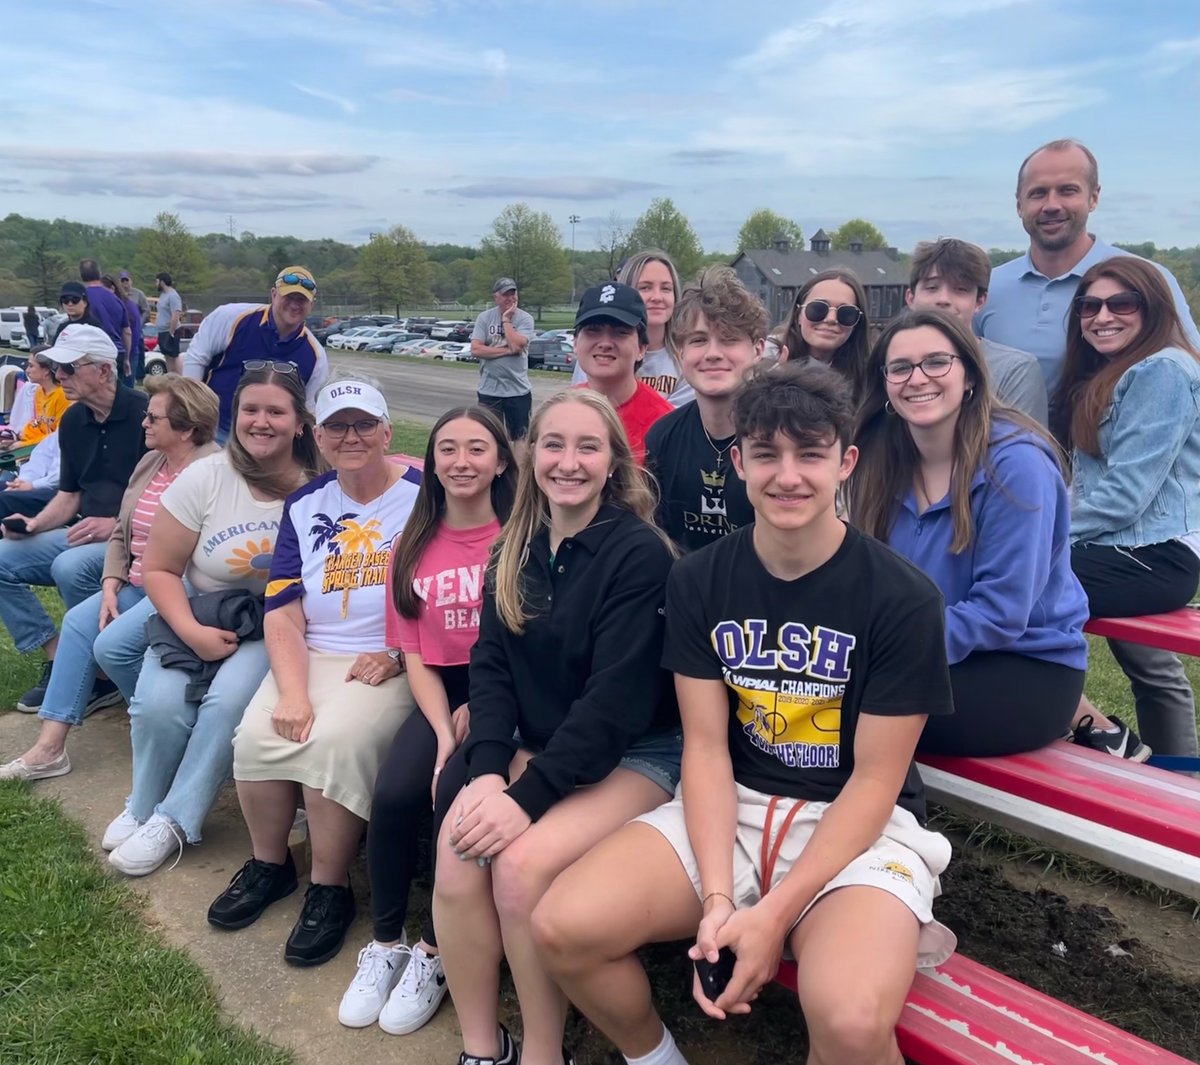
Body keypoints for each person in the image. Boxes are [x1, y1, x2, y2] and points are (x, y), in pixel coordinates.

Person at [532, 362, 957, 1065]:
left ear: (845, 461)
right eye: (766, 453)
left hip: (856, 825)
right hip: (738, 805)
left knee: (850, 1021)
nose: (787, 474)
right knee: (561, 924)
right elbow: (704, 749)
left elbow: (877, 782)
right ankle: (656, 1055)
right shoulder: (700, 578)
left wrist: (777, 913)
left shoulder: (903, 598)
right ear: (738, 461)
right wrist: (720, 900)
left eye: (811, 453)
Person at [433, 389, 680, 1065]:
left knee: (517, 869)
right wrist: (487, 770)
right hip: (540, 747)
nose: (568, 462)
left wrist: (525, 800)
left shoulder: (638, 556)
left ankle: (546, 1053)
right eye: (553, 444)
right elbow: (490, 668)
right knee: (458, 857)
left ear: (614, 463)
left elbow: (615, 706)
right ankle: (484, 1048)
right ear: (531, 453)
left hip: (637, 752)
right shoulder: (514, 545)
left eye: (588, 446)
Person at [208, 379, 422, 965]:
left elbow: (446, 587)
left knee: (333, 742)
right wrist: (294, 691)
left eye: (363, 425)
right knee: (258, 733)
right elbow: (282, 605)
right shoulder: (306, 505)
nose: (350, 437)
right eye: (336, 427)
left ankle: (330, 887)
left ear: (386, 432)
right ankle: (270, 865)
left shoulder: (424, 496)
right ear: (318, 437)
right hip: (312, 652)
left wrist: (400, 653)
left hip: (390, 659)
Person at [102, 364, 323, 877]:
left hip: (276, 623)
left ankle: (176, 819)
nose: (261, 422)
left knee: (227, 703)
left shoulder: (318, 488)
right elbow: (159, 568)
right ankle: (143, 801)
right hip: (199, 613)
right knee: (157, 704)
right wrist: (192, 632)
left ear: (299, 422)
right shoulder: (207, 476)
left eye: (275, 411)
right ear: (235, 415)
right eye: (250, 410)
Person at [338, 404, 516, 1033]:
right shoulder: (412, 543)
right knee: (394, 794)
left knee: (449, 799)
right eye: (447, 449)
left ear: (500, 460)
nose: (461, 462)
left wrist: (481, 709)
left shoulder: (520, 535)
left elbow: (531, 642)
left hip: (508, 691)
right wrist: (442, 731)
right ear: (431, 461)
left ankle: (438, 953)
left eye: (476, 449)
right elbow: (412, 651)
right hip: (441, 689)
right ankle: (386, 941)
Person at [850, 310, 1088, 756]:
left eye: (937, 362)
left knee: (845, 706)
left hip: (1023, 671)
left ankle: (891, 822)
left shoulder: (1016, 466)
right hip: (924, 654)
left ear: (970, 376)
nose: (918, 378)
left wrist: (878, 650)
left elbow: (1000, 613)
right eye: (900, 367)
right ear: (885, 384)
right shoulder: (881, 461)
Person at [0, 377, 220, 781]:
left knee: (111, 645)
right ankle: (49, 749)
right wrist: (110, 584)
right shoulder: (152, 461)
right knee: (80, 623)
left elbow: (207, 558)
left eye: (154, 418)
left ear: (187, 427)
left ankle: (177, 733)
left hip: (179, 588)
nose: (144, 424)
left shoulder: (212, 471)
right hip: (136, 581)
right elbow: (123, 529)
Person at [1053, 257, 1200, 761]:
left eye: (1122, 303)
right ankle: (1163, 768)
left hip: (1158, 554)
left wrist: (1038, 532)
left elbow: (1125, 496)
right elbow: (1088, 487)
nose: (1102, 315)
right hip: (1121, 548)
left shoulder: (1161, 370)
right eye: (1089, 306)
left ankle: (1093, 730)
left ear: (1152, 307)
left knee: (1012, 580)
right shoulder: (1111, 373)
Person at [0, 325, 148, 713]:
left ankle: (101, 672)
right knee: (1, 556)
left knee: (70, 566)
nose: (59, 376)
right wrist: (34, 525)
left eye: (68, 368)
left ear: (103, 370)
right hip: (86, 531)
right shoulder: (74, 420)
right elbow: (69, 497)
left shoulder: (145, 414)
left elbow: (171, 492)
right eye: (56, 368)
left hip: (136, 540)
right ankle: (60, 655)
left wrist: (117, 523)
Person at [976, 139, 1200, 393]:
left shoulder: (1148, 280)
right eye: (1038, 193)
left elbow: (1191, 375)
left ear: (1093, 198)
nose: (1052, 205)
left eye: (1067, 190)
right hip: (1002, 434)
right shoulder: (986, 288)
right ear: (1019, 205)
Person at [645, 265, 765, 551]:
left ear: (758, 350)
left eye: (729, 339)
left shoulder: (779, 437)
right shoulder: (662, 438)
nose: (713, 353)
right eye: (698, 340)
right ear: (680, 351)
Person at [906, 238, 1047, 423]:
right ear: (910, 298)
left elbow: (1024, 446)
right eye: (932, 287)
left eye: (960, 289)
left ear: (980, 301)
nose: (943, 299)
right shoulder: (888, 364)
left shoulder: (1014, 370)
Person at [184, 267, 329, 443]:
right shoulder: (231, 317)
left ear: (311, 305)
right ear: (274, 294)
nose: (294, 304)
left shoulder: (315, 356)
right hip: (214, 430)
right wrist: (191, 412)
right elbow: (196, 358)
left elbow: (308, 408)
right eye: (288, 297)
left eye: (302, 299)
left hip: (267, 440)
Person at [573, 250, 695, 406]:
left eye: (666, 289)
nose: (657, 297)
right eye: (645, 288)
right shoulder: (598, 352)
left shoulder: (687, 357)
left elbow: (673, 423)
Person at [573, 282, 672, 463]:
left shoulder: (665, 424)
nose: (605, 343)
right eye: (593, 330)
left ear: (642, 348)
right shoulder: (561, 411)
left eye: (620, 332)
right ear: (575, 344)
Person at [773, 267, 870, 402]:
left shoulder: (867, 379)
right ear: (798, 315)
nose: (831, 319)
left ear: (857, 323)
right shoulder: (766, 359)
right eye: (818, 308)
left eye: (846, 313)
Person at [471, 278, 536, 443]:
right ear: (496, 297)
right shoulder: (485, 318)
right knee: (489, 437)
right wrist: (507, 350)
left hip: (518, 391)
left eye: (513, 294)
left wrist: (506, 319)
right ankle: (494, 469)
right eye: (505, 294)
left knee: (521, 438)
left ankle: (520, 470)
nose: (511, 298)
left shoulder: (525, 319)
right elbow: (476, 349)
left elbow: (517, 344)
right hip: (489, 391)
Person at [1, 351, 69, 449]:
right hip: (36, 444)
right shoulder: (39, 391)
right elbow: (39, 424)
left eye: (31, 366)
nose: (27, 370)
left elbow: (59, 437)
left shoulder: (63, 396)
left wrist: (23, 445)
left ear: (46, 370)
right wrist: (19, 438)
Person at [80, 259, 132, 377]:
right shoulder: (116, 299)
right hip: (116, 351)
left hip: (92, 353)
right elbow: (127, 332)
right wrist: (127, 358)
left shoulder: (80, 299)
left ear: (81, 275)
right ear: (99, 273)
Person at [103, 273, 142, 387]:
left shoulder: (128, 306)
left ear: (113, 289)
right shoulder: (105, 306)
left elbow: (132, 332)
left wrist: (127, 357)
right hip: (111, 353)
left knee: (125, 388)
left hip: (128, 353)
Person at [119, 270, 151, 382]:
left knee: (138, 353)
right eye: (122, 281)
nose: (124, 283)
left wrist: (139, 323)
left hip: (136, 330)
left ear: (131, 281)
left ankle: (140, 377)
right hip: (122, 330)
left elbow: (146, 310)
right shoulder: (117, 295)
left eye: (126, 280)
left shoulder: (138, 294)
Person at [155, 272, 184, 374]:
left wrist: (171, 332)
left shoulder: (173, 296)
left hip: (170, 331)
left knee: (173, 359)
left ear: (162, 282)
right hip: (162, 331)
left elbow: (176, 314)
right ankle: (170, 381)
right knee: (167, 358)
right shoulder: (163, 295)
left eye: (157, 281)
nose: (156, 284)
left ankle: (179, 382)